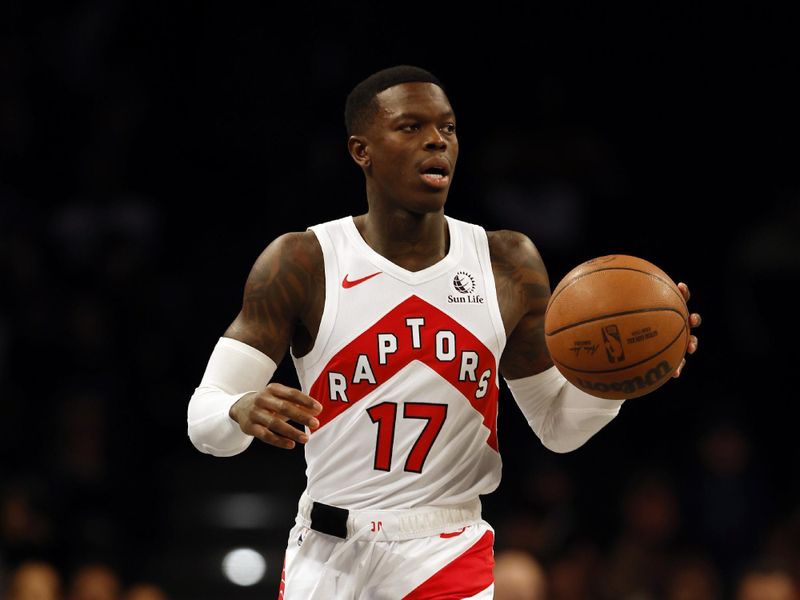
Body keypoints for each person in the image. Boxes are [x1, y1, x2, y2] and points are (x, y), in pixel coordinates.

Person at [187, 64, 701, 598]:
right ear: (361, 150)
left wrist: (621, 381)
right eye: (411, 127)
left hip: (446, 549)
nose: (437, 140)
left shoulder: (507, 262)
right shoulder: (302, 260)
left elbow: (556, 426)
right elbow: (204, 422)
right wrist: (237, 410)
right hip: (328, 551)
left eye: (448, 128)